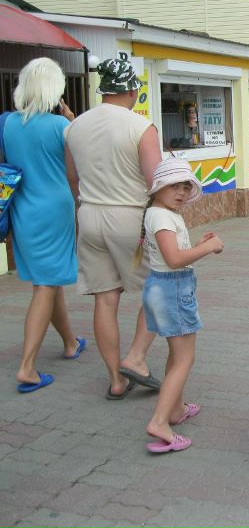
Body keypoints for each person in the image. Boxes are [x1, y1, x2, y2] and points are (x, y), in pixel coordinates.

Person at [65, 56, 163, 400]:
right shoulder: (141, 126)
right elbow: (156, 182)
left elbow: (72, 179)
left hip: (89, 215)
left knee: (105, 299)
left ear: (102, 88)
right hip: (130, 218)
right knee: (160, 288)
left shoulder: (74, 127)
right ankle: (135, 358)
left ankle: (116, 381)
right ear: (133, 89)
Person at [4, 58, 85, 393]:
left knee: (48, 279)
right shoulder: (60, 126)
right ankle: (27, 367)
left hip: (23, 210)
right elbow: (76, 169)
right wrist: (72, 119)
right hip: (55, 210)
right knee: (46, 285)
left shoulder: (7, 123)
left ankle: (70, 342)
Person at [134, 158, 223, 453]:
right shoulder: (162, 217)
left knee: (177, 354)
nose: (181, 192)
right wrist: (207, 248)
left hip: (164, 287)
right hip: (172, 290)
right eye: (174, 186)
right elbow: (174, 260)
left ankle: (175, 410)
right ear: (158, 187)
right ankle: (160, 422)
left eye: (185, 187)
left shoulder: (160, 213)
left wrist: (196, 245)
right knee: (185, 358)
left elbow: (171, 255)